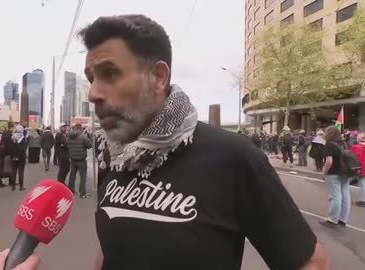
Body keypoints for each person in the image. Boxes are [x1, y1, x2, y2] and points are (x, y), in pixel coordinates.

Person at [82, 14, 329, 269]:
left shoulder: (233, 157)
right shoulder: (113, 157)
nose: (93, 93)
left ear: (158, 77)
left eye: (109, 74)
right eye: (91, 78)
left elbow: (311, 263)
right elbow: (113, 248)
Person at [320, 125, 350, 228]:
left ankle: (332, 219)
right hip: (345, 173)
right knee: (345, 196)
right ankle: (342, 219)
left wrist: (324, 172)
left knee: (335, 196)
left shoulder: (329, 145)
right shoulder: (343, 143)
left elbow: (329, 161)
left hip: (333, 173)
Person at [67, 123, 92, 198]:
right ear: (80, 128)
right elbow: (89, 146)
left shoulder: (69, 136)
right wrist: (89, 136)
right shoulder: (83, 136)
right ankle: (82, 193)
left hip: (73, 159)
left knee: (72, 175)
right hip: (81, 160)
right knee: (83, 177)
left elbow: (67, 145)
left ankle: (71, 190)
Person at [4, 125, 28, 191]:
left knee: (13, 171)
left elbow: (9, 148)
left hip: (13, 157)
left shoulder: (12, 138)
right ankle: (21, 186)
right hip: (21, 157)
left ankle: (13, 186)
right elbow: (24, 148)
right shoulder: (23, 138)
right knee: (21, 172)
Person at [350, 132, 365, 207]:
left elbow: (352, 158)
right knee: (363, 184)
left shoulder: (356, 147)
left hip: (358, 168)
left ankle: (345, 199)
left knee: (346, 183)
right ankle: (363, 200)